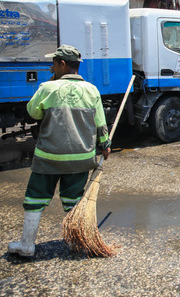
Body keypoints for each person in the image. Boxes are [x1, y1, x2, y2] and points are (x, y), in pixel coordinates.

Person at [8, 45, 111, 257]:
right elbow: (101, 124)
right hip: (81, 158)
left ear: (62, 64)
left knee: (35, 198)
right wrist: (105, 145)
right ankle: (74, 243)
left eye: (54, 63)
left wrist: (50, 88)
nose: (51, 67)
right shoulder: (92, 90)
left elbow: (33, 113)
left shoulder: (47, 88)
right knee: (72, 199)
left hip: (49, 158)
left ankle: (27, 245)